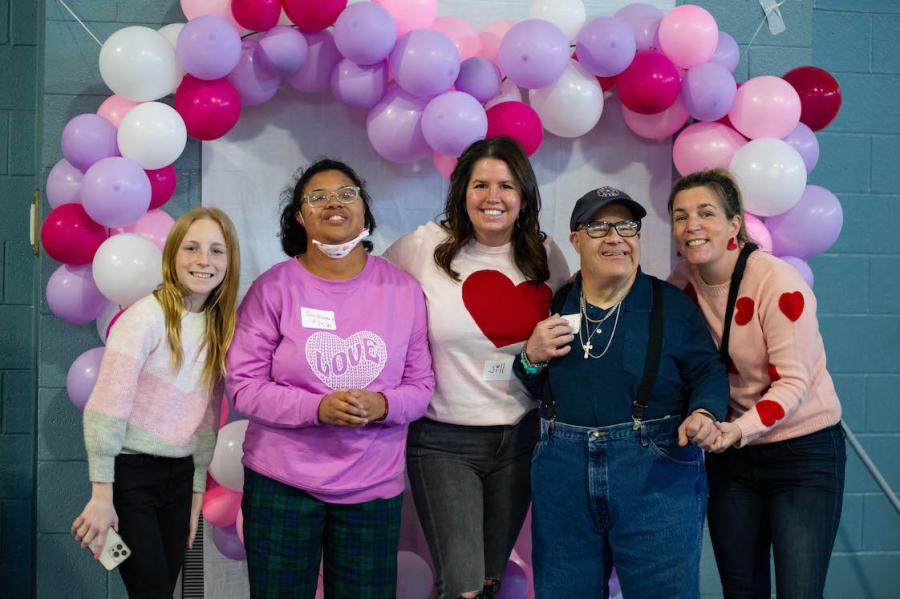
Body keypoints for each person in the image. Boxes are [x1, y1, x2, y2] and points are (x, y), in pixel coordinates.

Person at [225, 158, 434, 598]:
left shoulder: (403, 291)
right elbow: (242, 386)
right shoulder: (274, 289)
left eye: (346, 193)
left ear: (364, 210)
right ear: (300, 216)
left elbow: (420, 387)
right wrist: (316, 408)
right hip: (282, 485)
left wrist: (384, 406)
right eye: (317, 197)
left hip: (372, 489)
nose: (333, 203)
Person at [516, 186, 729, 598]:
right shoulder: (553, 304)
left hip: (655, 475)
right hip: (563, 475)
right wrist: (530, 356)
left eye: (627, 226)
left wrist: (704, 413)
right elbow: (529, 381)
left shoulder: (671, 304)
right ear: (576, 239)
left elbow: (708, 371)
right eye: (598, 227)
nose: (615, 237)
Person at [384, 137, 570, 599]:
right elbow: (368, 295)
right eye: (480, 184)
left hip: (521, 438)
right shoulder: (422, 247)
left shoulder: (545, 253)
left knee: (489, 579)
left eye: (506, 186)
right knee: (462, 584)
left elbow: (569, 323)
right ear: (460, 192)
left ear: (523, 196)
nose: (493, 197)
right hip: (444, 440)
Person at [668, 169, 845, 599]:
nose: (692, 225)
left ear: (734, 224)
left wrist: (736, 430)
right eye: (680, 215)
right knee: (741, 590)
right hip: (732, 458)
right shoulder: (679, 286)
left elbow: (793, 382)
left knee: (798, 591)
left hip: (802, 452)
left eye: (705, 213)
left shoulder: (776, 282)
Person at [72, 207, 241, 598]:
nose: (204, 260)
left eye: (217, 251)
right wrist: (102, 495)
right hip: (132, 477)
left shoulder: (219, 327)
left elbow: (205, 416)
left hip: (179, 478)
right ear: (172, 257)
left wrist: (197, 491)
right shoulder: (145, 318)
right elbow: (106, 407)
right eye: (192, 248)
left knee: (163, 589)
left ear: (229, 261)